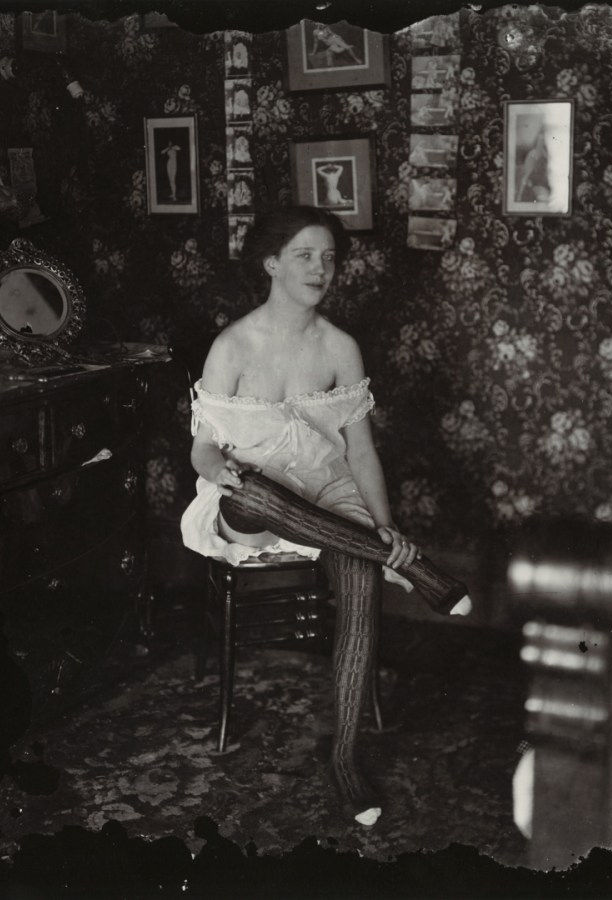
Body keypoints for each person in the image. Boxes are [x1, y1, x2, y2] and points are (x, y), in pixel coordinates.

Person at [181, 206, 471, 828]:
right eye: (306, 255)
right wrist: (213, 470)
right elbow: (203, 445)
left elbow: (361, 451)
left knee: (361, 574)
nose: (321, 268)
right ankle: (415, 569)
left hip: (326, 492)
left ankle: (344, 759)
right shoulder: (232, 345)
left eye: (330, 257)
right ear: (271, 264)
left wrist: (383, 526)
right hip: (250, 497)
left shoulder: (340, 347)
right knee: (255, 495)